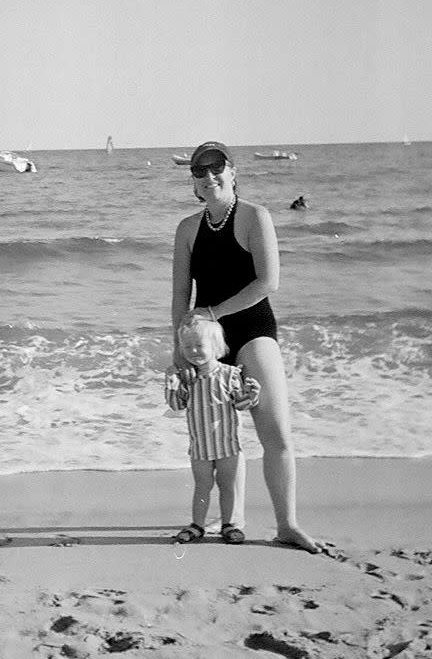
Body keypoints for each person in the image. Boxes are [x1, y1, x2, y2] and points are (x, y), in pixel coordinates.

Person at [171, 140, 328, 554]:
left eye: (216, 167)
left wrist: (214, 312)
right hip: (208, 341)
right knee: (216, 437)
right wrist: (178, 349)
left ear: (233, 171)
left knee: (275, 433)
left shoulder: (256, 217)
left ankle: (287, 524)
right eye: (199, 172)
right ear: (194, 183)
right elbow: (178, 297)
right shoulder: (188, 229)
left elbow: (267, 283)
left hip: (253, 329)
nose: (209, 176)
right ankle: (230, 521)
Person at [165, 316, 260, 544]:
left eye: (200, 346)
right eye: (187, 347)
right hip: (200, 447)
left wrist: (253, 394)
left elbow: (240, 404)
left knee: (227, 486)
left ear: (216, 348)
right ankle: (197, 525)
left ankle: (229, 524)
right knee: (202, 487)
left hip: (227, 445)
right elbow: (177, 405)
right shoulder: (187, 378)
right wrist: (171, 385)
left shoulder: (230, 374)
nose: (194, 351)